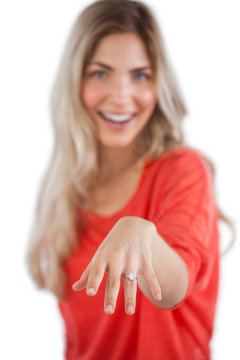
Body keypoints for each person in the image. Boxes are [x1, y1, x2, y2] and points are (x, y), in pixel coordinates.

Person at [26, 0, 235, 359]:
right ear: (75, 81)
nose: (121, 96)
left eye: (140, 75)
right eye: (100, 73)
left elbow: (174, 287)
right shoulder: (65, 192)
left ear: (159, 85)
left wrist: (140, 232)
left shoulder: (183, 170)